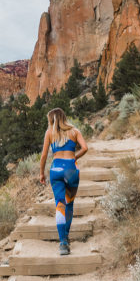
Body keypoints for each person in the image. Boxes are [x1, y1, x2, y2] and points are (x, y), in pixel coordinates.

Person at [39, 107, 88, 255]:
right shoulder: (75, 131)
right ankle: (66, 235)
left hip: (56, 170)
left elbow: (43, 156)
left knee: (60, 204)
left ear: (52, 120)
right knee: (70, 205)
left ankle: (63, 243)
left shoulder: (50, 133)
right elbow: (85, 148)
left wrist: (41, 173)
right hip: (72, 170)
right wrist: (74, 157)